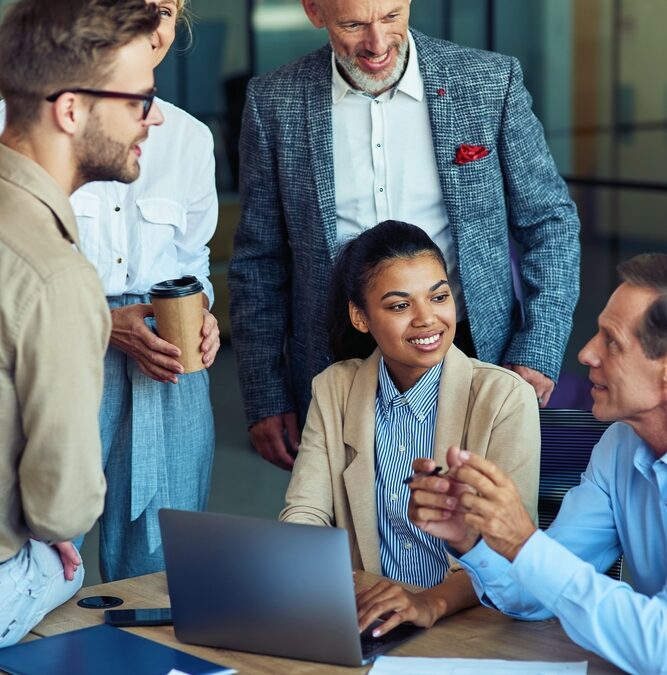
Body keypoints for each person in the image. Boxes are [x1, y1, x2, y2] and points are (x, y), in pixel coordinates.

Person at [228, 0, 580, 471]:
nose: (377, 44)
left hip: (473, 348)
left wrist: (539, 347)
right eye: (354, 24)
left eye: (391, 16)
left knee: (477, 524)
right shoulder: (275, 101)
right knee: (350, 525)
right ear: (315, 12)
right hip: (336, 359)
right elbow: (259, 261)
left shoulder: (489, 82)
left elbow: (550, 222)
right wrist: (265, 394)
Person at [0, 0, 220, 582]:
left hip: (164, 360)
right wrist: (100, 320)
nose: (154, 23)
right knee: (45, 555)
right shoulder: (26, 124)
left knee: (163, 574)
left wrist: (200, 313)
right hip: (63, 343)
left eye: (167, 9)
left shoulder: (188, 137)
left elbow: (193, 258)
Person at [407, 253, 667, 674]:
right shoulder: (619, 444)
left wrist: (526, 543)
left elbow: (659, 647)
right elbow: (535, 594)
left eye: (611, 341)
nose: (585, 353)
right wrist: (475, 538)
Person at [280, 220, 540, 637]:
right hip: (370, 617)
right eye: (400, 306)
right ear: (360, 316)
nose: (427, 319)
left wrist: (428, 602)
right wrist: (317, 581)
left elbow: (507, 546)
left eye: (438, 297)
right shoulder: (335, 388)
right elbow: (306, 511)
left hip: (471, 622)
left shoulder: (504, 398)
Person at [0, 0, 163, 647]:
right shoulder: (57, 276)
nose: (149, 122)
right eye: (136, 103)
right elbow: (61, 508)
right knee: (64, 565)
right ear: (70, 110)